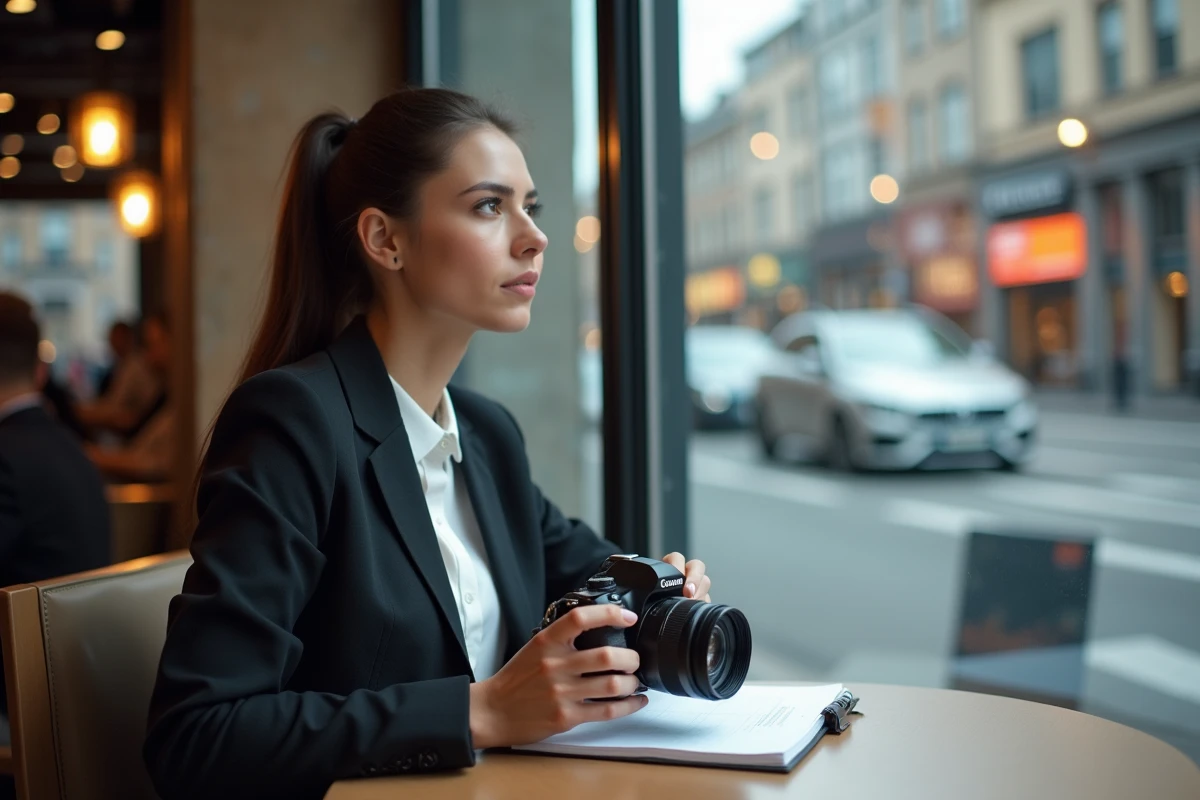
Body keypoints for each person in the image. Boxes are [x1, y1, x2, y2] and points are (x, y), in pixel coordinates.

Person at [142, 88, 714, 800]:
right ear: (386, 240)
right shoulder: (293, 423)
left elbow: (594, 574)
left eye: (530, 206)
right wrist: (484, 711)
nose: (533, 236)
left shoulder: (485, 435)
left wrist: (664, 591)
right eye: (487, 206)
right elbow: (199, 736)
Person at [0, 292, 113, 745]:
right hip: (80, 702)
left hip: (22, 719)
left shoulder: (5, 457)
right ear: (40, 372)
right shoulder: (74, 452)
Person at [86, 314, 174, 482]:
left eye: (153, 345)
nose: (149, 356)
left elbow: (154, 463)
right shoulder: (166, 393)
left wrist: (92, 455)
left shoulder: (182, 401)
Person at [75, 317, 162, 440]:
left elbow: (114, 407)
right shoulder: (124, 365)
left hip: (139, 435)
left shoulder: (135, 366)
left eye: (153, 344)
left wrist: (79, 412)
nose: (112, 343)